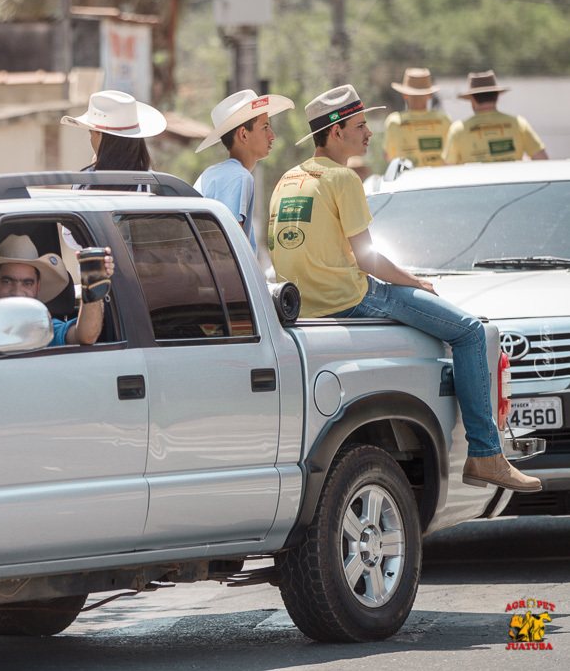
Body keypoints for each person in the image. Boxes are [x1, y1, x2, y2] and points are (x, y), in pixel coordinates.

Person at [268, 84, 541, 493]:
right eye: (361, 126)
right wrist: (416, 282)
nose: (369, 133)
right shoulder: (343, 178)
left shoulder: (287, 179)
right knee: (470, 332)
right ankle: (486, 455)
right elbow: (369, 261)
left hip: (307, 306)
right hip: (352, 299)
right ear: (337, 132)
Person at [193, 89, 294, 252]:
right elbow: (230, 249)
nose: (272, 135)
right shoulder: (239, 177)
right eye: (265, 127)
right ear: (243, 135)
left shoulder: (210, 173)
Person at [0, 234, 113, 347]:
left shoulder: (45, 327)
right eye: (7, 282)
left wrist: (93, 280)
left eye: (27, 283)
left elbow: (86, 336)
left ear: (38, 287)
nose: (17, 292)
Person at [62, 89, 166, 191]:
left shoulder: (83, 184)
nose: (90, 140)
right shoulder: (157, 186)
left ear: (101, 136)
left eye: (91, 133)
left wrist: (94, 169)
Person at [443, 70, 548, 164]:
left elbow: (448, 169)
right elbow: (542, 160)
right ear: (497, 96)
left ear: (472, 99)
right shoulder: (519, 123)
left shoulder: (458, 130)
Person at [383, 67, 451, 167]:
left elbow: (389, 156)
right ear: (430, 94)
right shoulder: (444, 120)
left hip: (408, 176)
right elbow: (452, 157)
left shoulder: (394, 121)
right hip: (440, 176)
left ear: (404, 94)